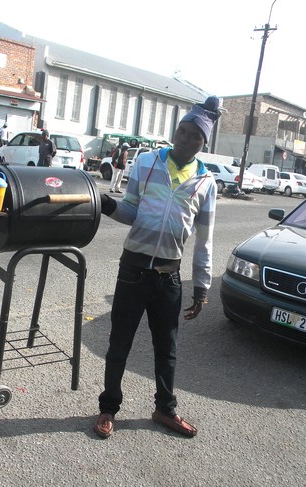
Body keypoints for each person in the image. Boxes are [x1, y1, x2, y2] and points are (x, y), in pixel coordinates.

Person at [93, 96, 221, 440]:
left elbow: (204, 240)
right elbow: (132, 211)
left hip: (170, 277)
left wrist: (202, 287)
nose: (184, 138)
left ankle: (165, 410)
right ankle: (108, 408)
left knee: (168, 349)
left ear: (202, 143)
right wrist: (108, 206)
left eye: (193, 135)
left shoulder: (207, 183)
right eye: (181, 130)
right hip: (133, 270)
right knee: (119, 343)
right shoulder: (147, 162)